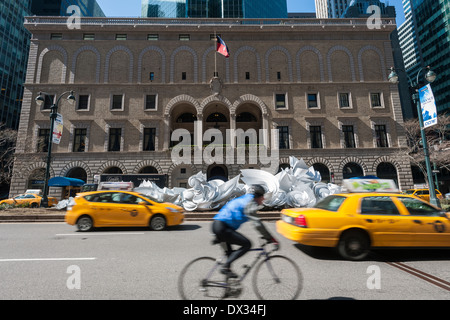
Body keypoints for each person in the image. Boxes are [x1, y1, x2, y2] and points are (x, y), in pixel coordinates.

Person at [212, 184, 279, 278]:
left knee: (230, 255)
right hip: (223, 228)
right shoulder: (250, 202)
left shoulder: (244, 199)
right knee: (247, 244)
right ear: (257, 196)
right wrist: (270, 238)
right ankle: (225, 267)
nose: (263, 199)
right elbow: (257, 223)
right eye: (262, 196)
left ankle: (227, 287)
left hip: (218, 225)